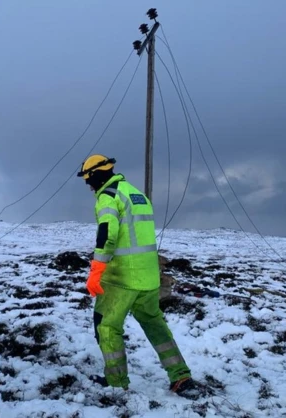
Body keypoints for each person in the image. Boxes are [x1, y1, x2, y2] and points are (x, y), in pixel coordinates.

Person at [77, 154, 199, 398]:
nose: (88, 186)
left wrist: (96, 271)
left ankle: (116, 381)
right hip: (149, 277)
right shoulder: (136, 194)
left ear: (96, 175)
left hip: (122, 279)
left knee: (107, 326)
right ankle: (181, 377)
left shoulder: (108, 196)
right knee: (155, 324)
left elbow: (107, 235)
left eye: (88, 180)